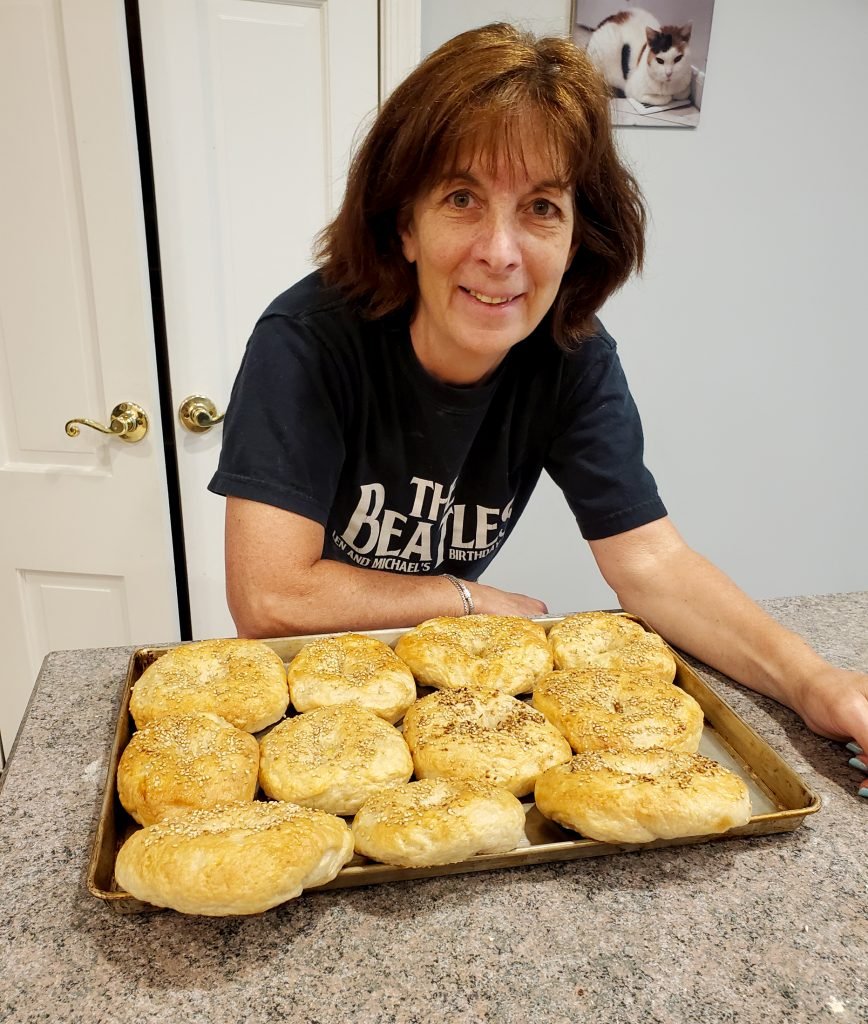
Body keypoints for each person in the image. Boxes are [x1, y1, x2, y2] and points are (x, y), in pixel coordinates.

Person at [208, 23, 868, 796]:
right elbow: (271, 597)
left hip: (453, 698)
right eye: (462, 198)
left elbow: (653, 564)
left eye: (542, 208)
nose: (500, 251)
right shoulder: (309, 342)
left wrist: (816, 683)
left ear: (577, 238)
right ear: (405, 224)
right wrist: (466, 598)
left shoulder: (573, 357)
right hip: (313, 708)